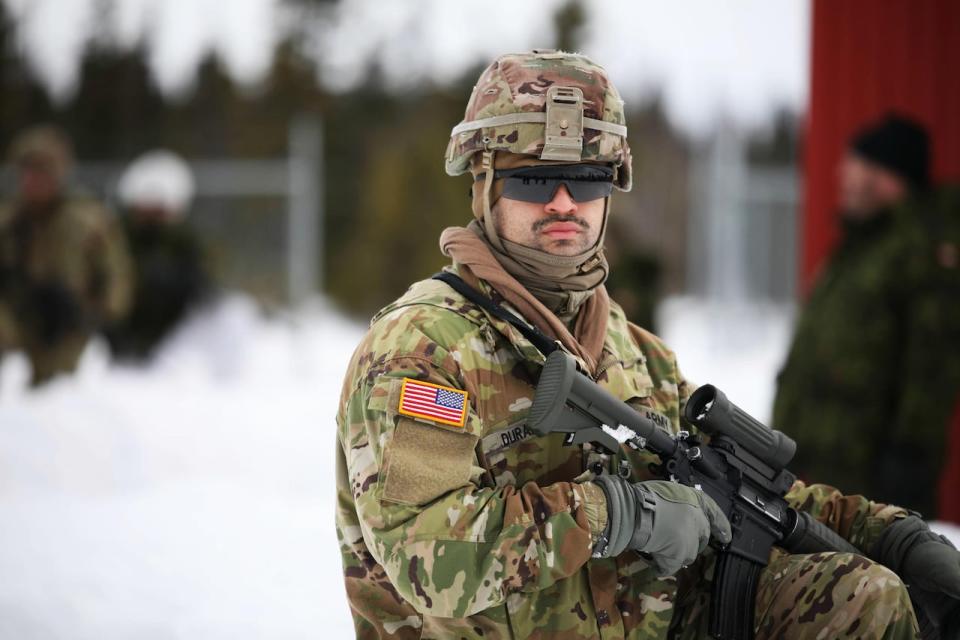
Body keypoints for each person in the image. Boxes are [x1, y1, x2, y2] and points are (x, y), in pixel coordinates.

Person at [336, 53, 959, 639]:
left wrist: (892, 536)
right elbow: (427, 557)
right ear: (484, 185)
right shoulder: (421, 350)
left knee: (862, 595)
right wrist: (618, 514)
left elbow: (759, 493)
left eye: (586, 179)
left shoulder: (635, 351)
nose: (563, 203)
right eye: (532, 179)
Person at [773, 115, 960, 517]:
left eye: (855, 163)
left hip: (865, 485)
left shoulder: (919, 253)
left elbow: (931, 367)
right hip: (819, 472)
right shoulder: (862, 246)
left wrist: (908, 462)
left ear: (886, 176)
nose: (843, 174)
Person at [0, 125, 132, 386]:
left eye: (43, 171)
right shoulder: (8, 223)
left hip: (71, 334)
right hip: (16, 330)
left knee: (63, 398)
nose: (34, 181)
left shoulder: (88, 222)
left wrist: (89, 316)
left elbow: (117, 281)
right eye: (28, 171)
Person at [106, 150, 209, 360]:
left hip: (169, 339)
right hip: (120, 333)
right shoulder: (117, 238)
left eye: (158, 210)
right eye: (146, 209)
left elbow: (201, 289)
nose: (151, 217)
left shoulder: (183, 244)